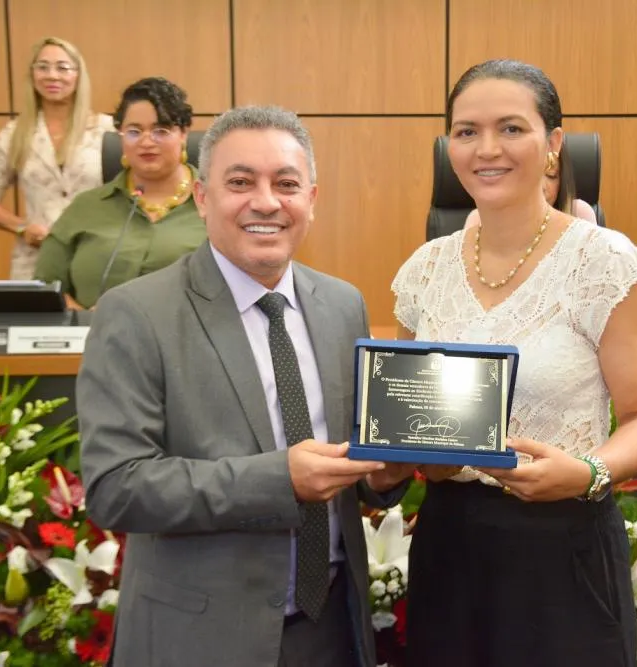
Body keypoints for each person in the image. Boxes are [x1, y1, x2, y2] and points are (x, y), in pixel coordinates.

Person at [78, 105, 411, 667]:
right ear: (202, 197)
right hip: (201, 638)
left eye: (286, 184)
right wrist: (280, 480)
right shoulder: (136, 313)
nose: (266, 202)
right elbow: (117, 487)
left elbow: (353, 460)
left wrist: (386, 474)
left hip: (332, 629)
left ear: (311, 199)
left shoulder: (343, 305)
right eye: (240, 182)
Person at [390, 59, 637, 666]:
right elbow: (413, 416)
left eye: (511, 128)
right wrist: (421, 456)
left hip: (563, 546)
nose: (487, 149)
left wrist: (589, 472)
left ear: (553, 144)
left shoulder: (605, 263)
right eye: (466, 131)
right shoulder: (425, 270)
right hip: (449, 547)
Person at [34, 77, 206, 310]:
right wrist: (87, 320)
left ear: (183, 133)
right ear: (120, 135)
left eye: (161, 130)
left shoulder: (215, 206)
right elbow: (45, 287)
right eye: (134, 131)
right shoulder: (86, 207)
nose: (147, 141)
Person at [0, 37, 114, 280]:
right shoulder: (14, 134)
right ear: (32, 75)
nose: (52, 75)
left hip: (96, 256)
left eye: (62, 67)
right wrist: (21, 228)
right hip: (36, 260)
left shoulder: (107, 130)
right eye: (42, 67)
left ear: (79, 75)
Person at [463, 137, 597, 229]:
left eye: (551, 176)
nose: (541, 187)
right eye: (532, 175)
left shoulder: (578, 213)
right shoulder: (480, 218)